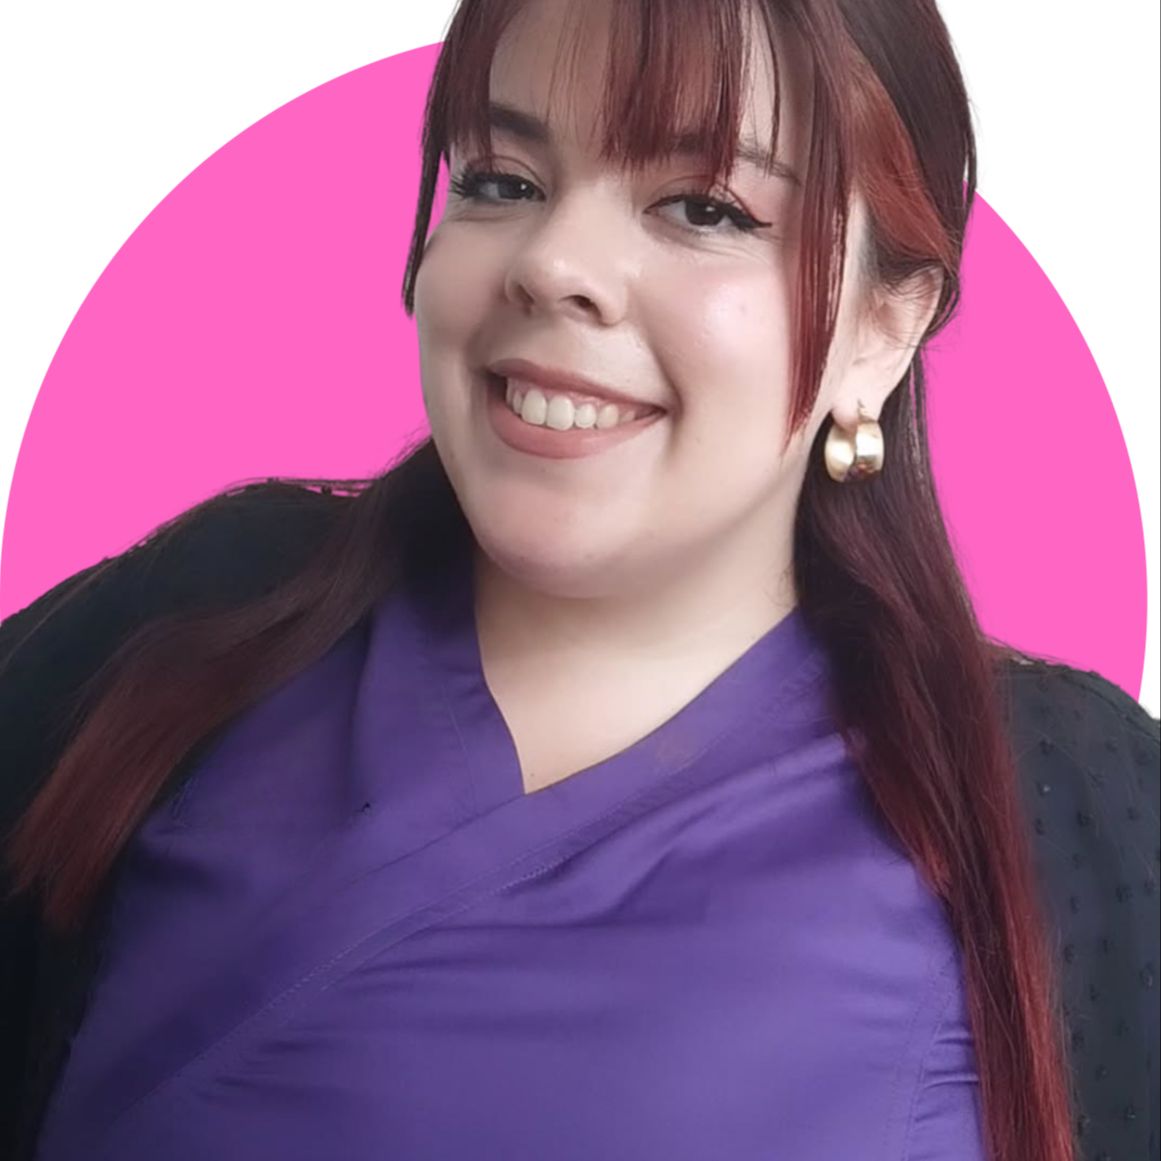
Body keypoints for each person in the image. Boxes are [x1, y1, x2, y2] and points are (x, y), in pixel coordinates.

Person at [0, 0, 1156, 1158]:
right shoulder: (193, 624)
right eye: (501, 181)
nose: (554, 264)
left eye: (704, 207)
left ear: (883, 330)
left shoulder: (1077, 806)